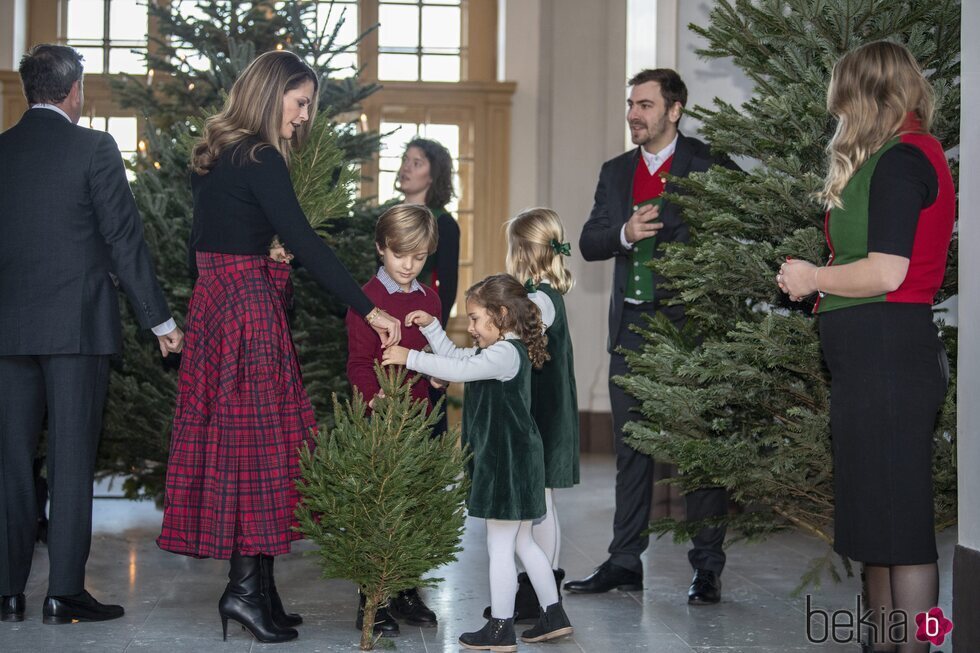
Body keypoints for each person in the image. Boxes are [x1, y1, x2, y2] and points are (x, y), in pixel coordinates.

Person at [155, 50, 401, 644]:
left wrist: (249, 258)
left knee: (250, 443)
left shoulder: (214, 157)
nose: (305, 115)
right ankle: (243, 590)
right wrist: (369, 307)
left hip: (218, 303)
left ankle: (259, 587)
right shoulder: (262, 157)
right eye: (300, 102)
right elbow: (306, 245)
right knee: (258, 449)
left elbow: (199, 246)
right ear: (272, 97)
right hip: (246, 312)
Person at [777, 41, 953, 653]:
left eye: (844, 102)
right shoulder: (887, 156)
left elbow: (886, 272)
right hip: (870, 362)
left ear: (868, 96)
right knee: (878, 525)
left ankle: (921, 645)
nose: (839, 116)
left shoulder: (904, 160)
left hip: (890, 358)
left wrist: (814, 278)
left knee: (902, 529)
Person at [0, 44, 183, 625]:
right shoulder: (94, 147)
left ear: (31, 91)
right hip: (77, 330)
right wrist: (161, 321)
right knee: (71, 460)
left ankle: (7, 593)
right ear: (74, 90)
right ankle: (63, 593)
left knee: (11, 463)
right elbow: (124, 240)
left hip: (7, 332)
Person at [572, 68, 736, 604]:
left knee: (700, 451)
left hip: (691, 332)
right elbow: (591, 241)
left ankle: (707, 566)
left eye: (644, 105)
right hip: (632, 331)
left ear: (674, 109)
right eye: (630, 104)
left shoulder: (708, 165)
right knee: (631, 451)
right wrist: (625, 234)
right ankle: (625, 561)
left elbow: (736, 234)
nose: (633, 114)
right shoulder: (616, 172)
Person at [382, 274, 574, 650]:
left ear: (501, 315)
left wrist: (410, 356)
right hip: (518, 461)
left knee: (500, 545)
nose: (469, 326)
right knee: (523, 542)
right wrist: (433, 328)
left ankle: (501, 628)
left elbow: (457, 371)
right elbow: (455, 357)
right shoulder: (501, 350)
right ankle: (553, 614)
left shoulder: (503, 354)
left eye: (474, 318)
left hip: (507, 464)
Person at [344, 203, 442, 635]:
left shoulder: (430, 298)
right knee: (380, 510)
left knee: (414, 505)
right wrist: (375, 397)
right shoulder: (364, 301)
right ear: (380, 248)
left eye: (418, 257)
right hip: (380, 422)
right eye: (400, 254)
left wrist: (440, 376)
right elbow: (358, 364)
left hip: (418, 419)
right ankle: (373, 600)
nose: (408, 265)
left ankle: (404, 590)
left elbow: (431, 356)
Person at [480, 208, 579, 623]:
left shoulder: (538, 299)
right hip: (545, 407)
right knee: (542, 502)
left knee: (542, 502)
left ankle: (543, 590)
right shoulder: (540, 294)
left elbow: (514, 337)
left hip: (544, 411)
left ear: (521, 252)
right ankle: (536, 589)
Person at [396, 137, 460, 439]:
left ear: (433, 176)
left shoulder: (444, 224)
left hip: (424, 330)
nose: (406, 167)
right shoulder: (389, 218)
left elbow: (447, 290)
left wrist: (435, 339)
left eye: (416, 162)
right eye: (405, 159)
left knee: (427, 411)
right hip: (385, 322)